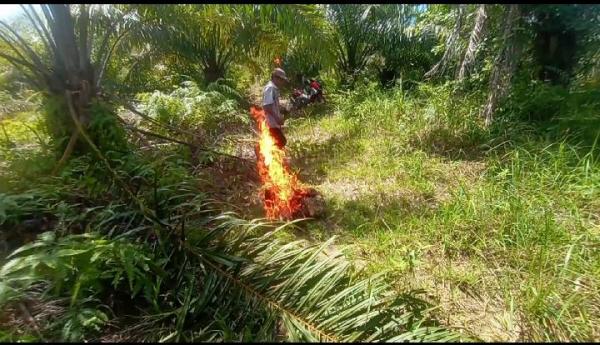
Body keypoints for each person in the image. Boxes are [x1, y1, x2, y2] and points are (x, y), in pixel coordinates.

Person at [263, 68, 289, 149]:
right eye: (281, 79)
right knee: (281, 142)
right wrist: (277, 118)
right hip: (271, 123)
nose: (282, 82)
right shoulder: (270, 88)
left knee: (280, 142)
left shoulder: (273, 88)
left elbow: (273, 105)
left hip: (274, 123)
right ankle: (261, 152)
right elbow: (267, 106)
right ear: (275, 77)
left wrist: (283, 109)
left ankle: (273, 159)